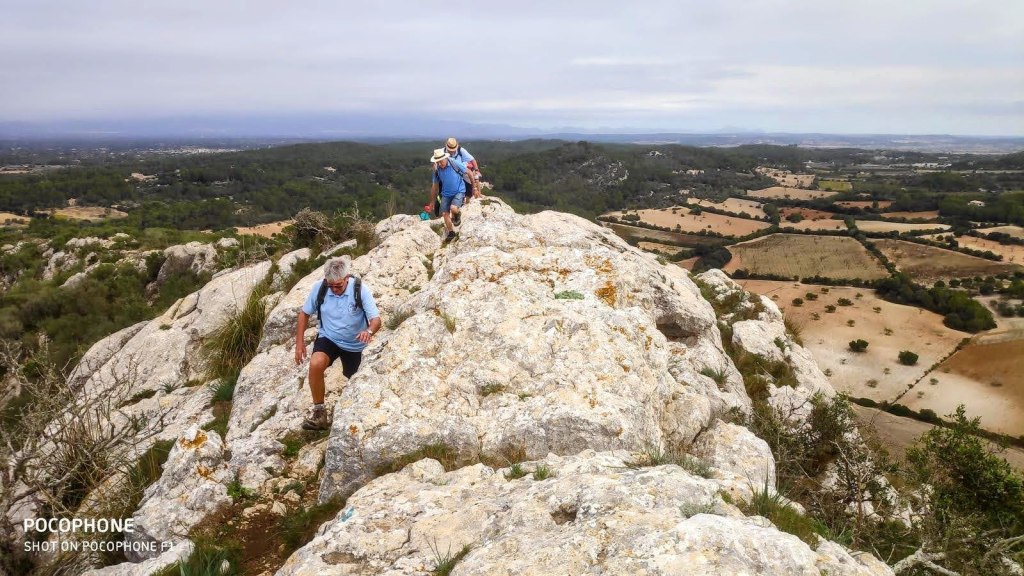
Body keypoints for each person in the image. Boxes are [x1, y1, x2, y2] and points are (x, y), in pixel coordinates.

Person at [294, 257, 381, 430]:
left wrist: (369, 332)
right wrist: (299, 343)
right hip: (329, 338)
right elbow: (304, 314)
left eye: (338, 286)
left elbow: (376, 320)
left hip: (355, 343)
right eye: (330, 285)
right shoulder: (319, 288)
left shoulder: (360, 290)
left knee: (355, 380)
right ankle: (319, 413)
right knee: (316, 364)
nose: (334, 289)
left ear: (347, 277)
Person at [427, 148, 468, 242]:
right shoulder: (437, 170)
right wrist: (432, 201)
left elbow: (467, 172)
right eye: (438, 162)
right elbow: (434, 186)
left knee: (453, 208)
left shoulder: (453, 163)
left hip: (459, 190)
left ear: (445, 158)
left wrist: (474, 187)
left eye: (441, 161)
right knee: (445, 213)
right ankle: (451, 232)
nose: (440, 164)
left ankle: (457, 213)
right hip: (446, 193)